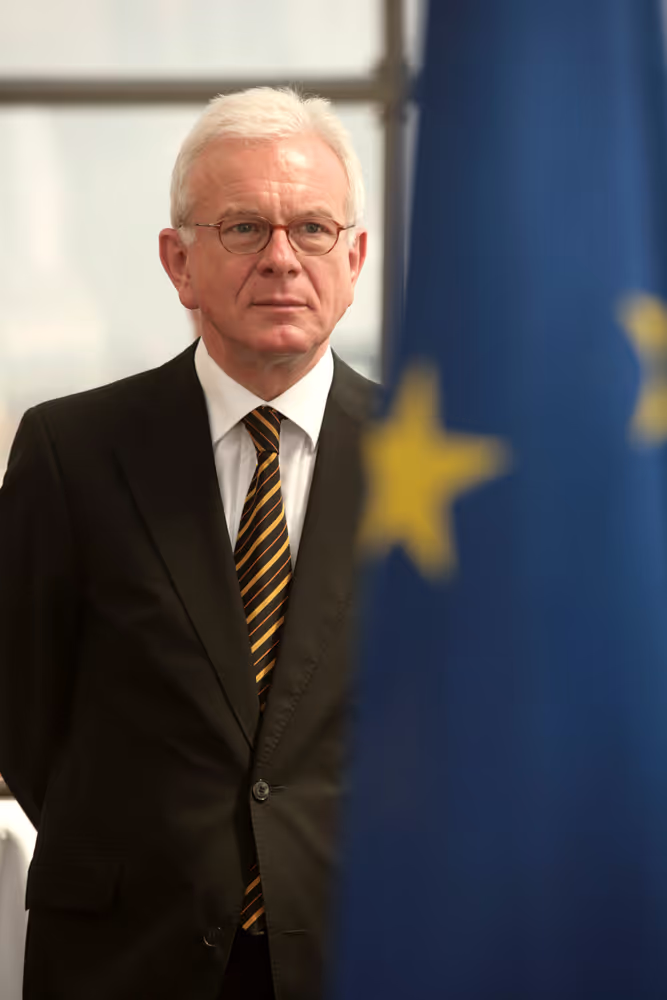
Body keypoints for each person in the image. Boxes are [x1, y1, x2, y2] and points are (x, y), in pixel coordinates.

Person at [0, 87, 374, 1000]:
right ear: (179, 261)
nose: (282, 258)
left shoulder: (442, 464)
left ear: (354, 256)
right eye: (244, 229)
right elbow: (24, 720)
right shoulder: (69, 451)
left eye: (313, 230)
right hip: (128, 957)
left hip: (362, 951)